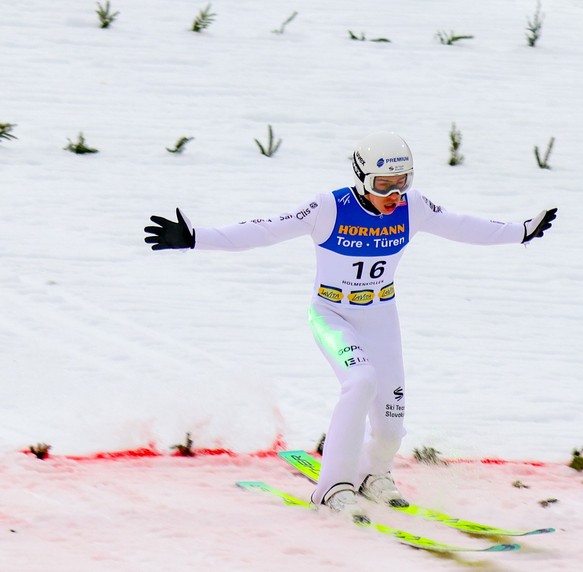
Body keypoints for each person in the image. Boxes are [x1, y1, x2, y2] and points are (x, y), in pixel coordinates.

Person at [144, 132, 557, 519]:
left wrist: (521, 231)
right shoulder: (329, 207)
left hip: (381, 317)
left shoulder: (413, 207)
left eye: (402, 183)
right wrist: (196, 237)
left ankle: (374, 474)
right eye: (383, 186)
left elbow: (464, 225)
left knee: (391, 424)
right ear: (361, 179)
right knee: (360, 382)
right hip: (332, 315)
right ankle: (331, 487)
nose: (394, 196)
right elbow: (265, 229)